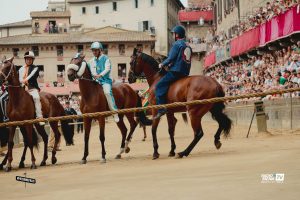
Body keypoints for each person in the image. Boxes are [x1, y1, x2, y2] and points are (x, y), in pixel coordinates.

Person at [154, 25, 192, 119]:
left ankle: (162, 108)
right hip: (185, 72)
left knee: (159, 86)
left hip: (176, 72)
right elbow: (181, 59)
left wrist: (162, 64)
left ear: (177, 35)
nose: (172, 36)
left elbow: (171, 58)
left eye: (173, 34)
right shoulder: (187, 45)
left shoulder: (177, 44)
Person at [87, 41, 120, 123]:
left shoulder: (106, 58)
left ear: (100, 50)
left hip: (105, 81)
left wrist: (100, 75)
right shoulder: (91, 61)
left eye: (96, 50)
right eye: (93, 50)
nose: (94, 52)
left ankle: (115, 112)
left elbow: (107, 69)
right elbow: (88, 68)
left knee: (107, 93)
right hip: (96, 81)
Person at [19, 51, 45, 126]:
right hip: (22, 89)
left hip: (32, 88)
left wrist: (23, 81)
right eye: (27, 59)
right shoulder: (21, 69)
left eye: (30, 59)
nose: (29, 60)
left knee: (36, 98)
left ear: (32, 60)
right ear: (25, 59)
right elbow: (18, 78)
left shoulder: (35, 68)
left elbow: (31, 76)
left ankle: (40, 118)